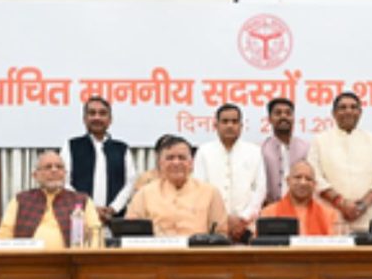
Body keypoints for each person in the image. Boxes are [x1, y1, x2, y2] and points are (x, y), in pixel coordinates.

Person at [307, 91, 372, 232]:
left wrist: (363, 205)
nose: (348, 111)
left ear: (360, 113)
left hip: (369, 220)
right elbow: (315, 176)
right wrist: (340, 203)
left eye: (353, 107)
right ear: (334, 113)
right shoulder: (319, 141)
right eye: (343, 107)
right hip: (331, 219)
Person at [126, 135, 228, 236]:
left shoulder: (210, 192)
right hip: (157, 246)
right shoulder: (145, 193)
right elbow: (130, 230)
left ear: (191, 163)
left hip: (196, 246)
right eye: (170, 158)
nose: (176, 163)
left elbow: (221, 233)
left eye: (182, 158)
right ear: (160, 163)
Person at [193, 103, 266, 242]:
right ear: (216, 125)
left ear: (241, 126)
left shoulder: (254, 151)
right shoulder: (204, 151)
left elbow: (260, 189)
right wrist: (223, 220)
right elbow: (199, 189)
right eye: (225, 121)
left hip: (247, 226)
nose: (230, 125)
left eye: (234, 121)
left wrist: (243, 219)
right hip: (213, 225)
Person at [0, 150, 100, 249]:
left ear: (65, 174)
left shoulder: (82, 200)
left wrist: (87, 257)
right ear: (35, 175)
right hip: (27, 259)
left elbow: (95, 233)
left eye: (59, 167)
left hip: (70, 260)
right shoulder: (21, 199)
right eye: (48, 167)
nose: (54, 170)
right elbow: (5, 232)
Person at [60, 96, 136, 223]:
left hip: (114, 220)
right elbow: (64, 181)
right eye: (92, 113)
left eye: (102, 113)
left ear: (110, 120)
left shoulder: (122, 149)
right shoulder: (71, 146)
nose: (97, 117)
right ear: (84, 119)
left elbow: (130, 183)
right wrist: (89, 208)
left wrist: (113, 208)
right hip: (79, 219)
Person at [259, 160, 337, 236]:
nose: (303, 182)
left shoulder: (329, 215)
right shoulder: (268, 213)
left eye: (308, 179)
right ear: (288, 181)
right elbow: (261, 243)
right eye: (298, 177)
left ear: (314, 184)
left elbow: (333, 243)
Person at [261, 97, 309, 205]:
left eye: (288, 113)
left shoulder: (306, 148)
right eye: (278, 113)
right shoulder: (261, 149)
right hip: (270, 209)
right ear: (269, 119)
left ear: (293, 118)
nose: (283, 116)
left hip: (301, 208)